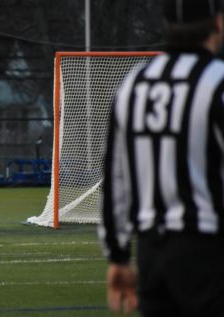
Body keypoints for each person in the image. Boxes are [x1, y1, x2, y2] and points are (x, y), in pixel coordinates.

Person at [99, 0, 224, 316]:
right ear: (217, 24)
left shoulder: (133, 85)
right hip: (209, 250)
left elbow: (115, 177)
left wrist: (117, 255)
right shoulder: (216, 81)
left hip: (152, 255)